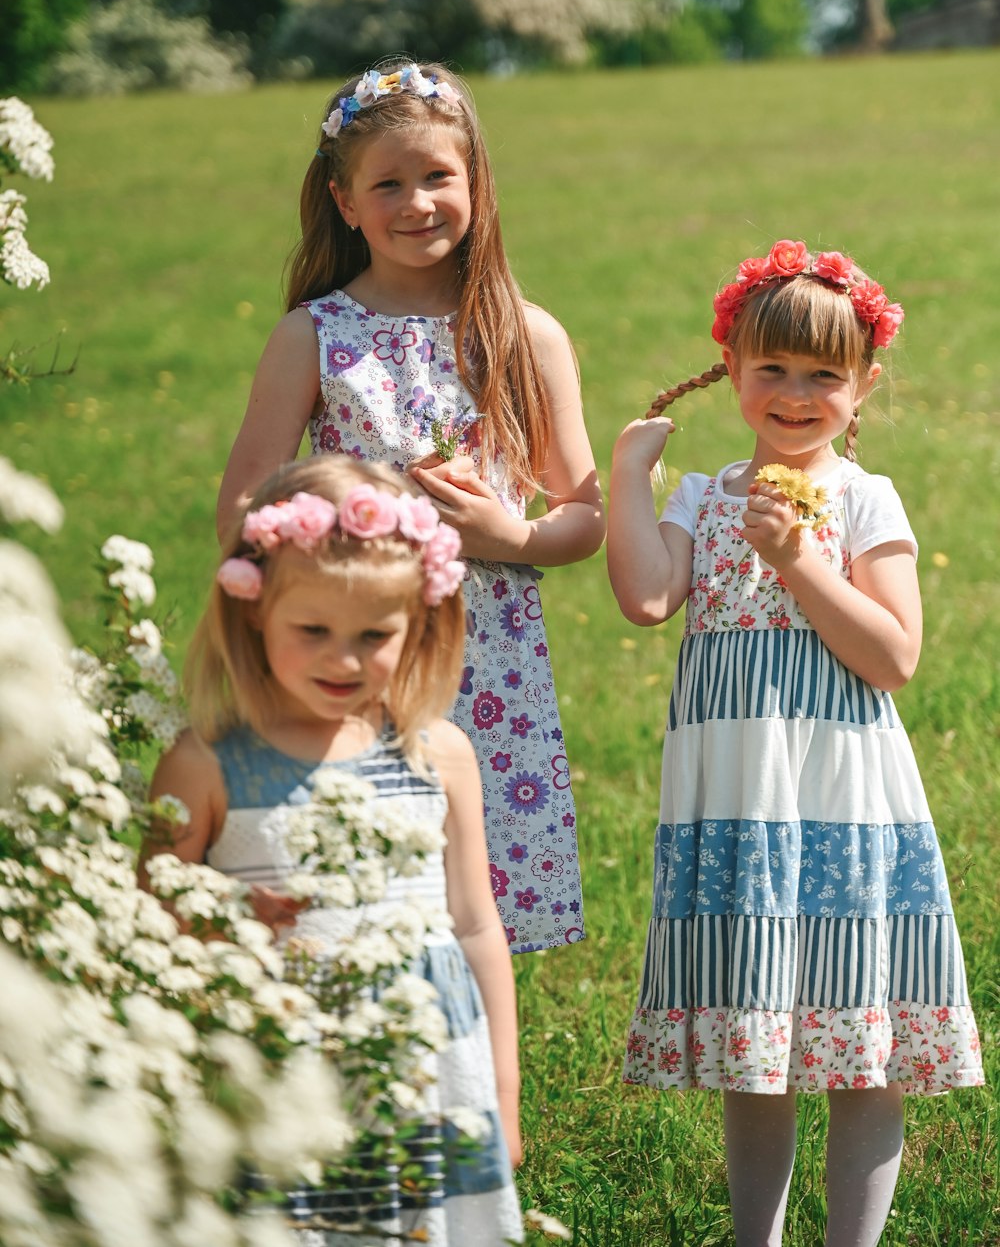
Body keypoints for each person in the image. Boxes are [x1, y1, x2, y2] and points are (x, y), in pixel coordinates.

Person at [607, 241, 983, 1247]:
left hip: (838, 794)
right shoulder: (705, 495)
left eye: (825, 374)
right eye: (771, 368)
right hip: (735, 796)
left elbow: (892, 654)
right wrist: (629, 480)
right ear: (730, 367)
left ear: (863, 387)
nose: (795, 393)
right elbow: (646, 598)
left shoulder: (866, 498)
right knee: (753, 1036)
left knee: (859, 1042)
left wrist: (802, 562)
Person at [217, 60, 605, 954]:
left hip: (489, 659)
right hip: (351, 639)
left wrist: (513, 534)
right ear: (344, 202)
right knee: (352, 884)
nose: (416, 201)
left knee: (471, 905)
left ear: (476, 181)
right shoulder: (313, 334)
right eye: (386, 183)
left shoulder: (521, 333)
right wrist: (295, 577)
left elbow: (582, 511)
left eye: (438, 176)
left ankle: (469, 1071)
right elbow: (244, 499)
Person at [146, 453, 523, 1244]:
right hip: (282, 1079)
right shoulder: (207, 764)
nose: (343, 660)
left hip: (427, 1075)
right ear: (254, 610)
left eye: (374, 635)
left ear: (420, 619)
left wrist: (502, 1093)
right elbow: (148, 924)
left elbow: (476, 925)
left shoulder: (438, 754)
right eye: (312, 629)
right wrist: (224, 915)